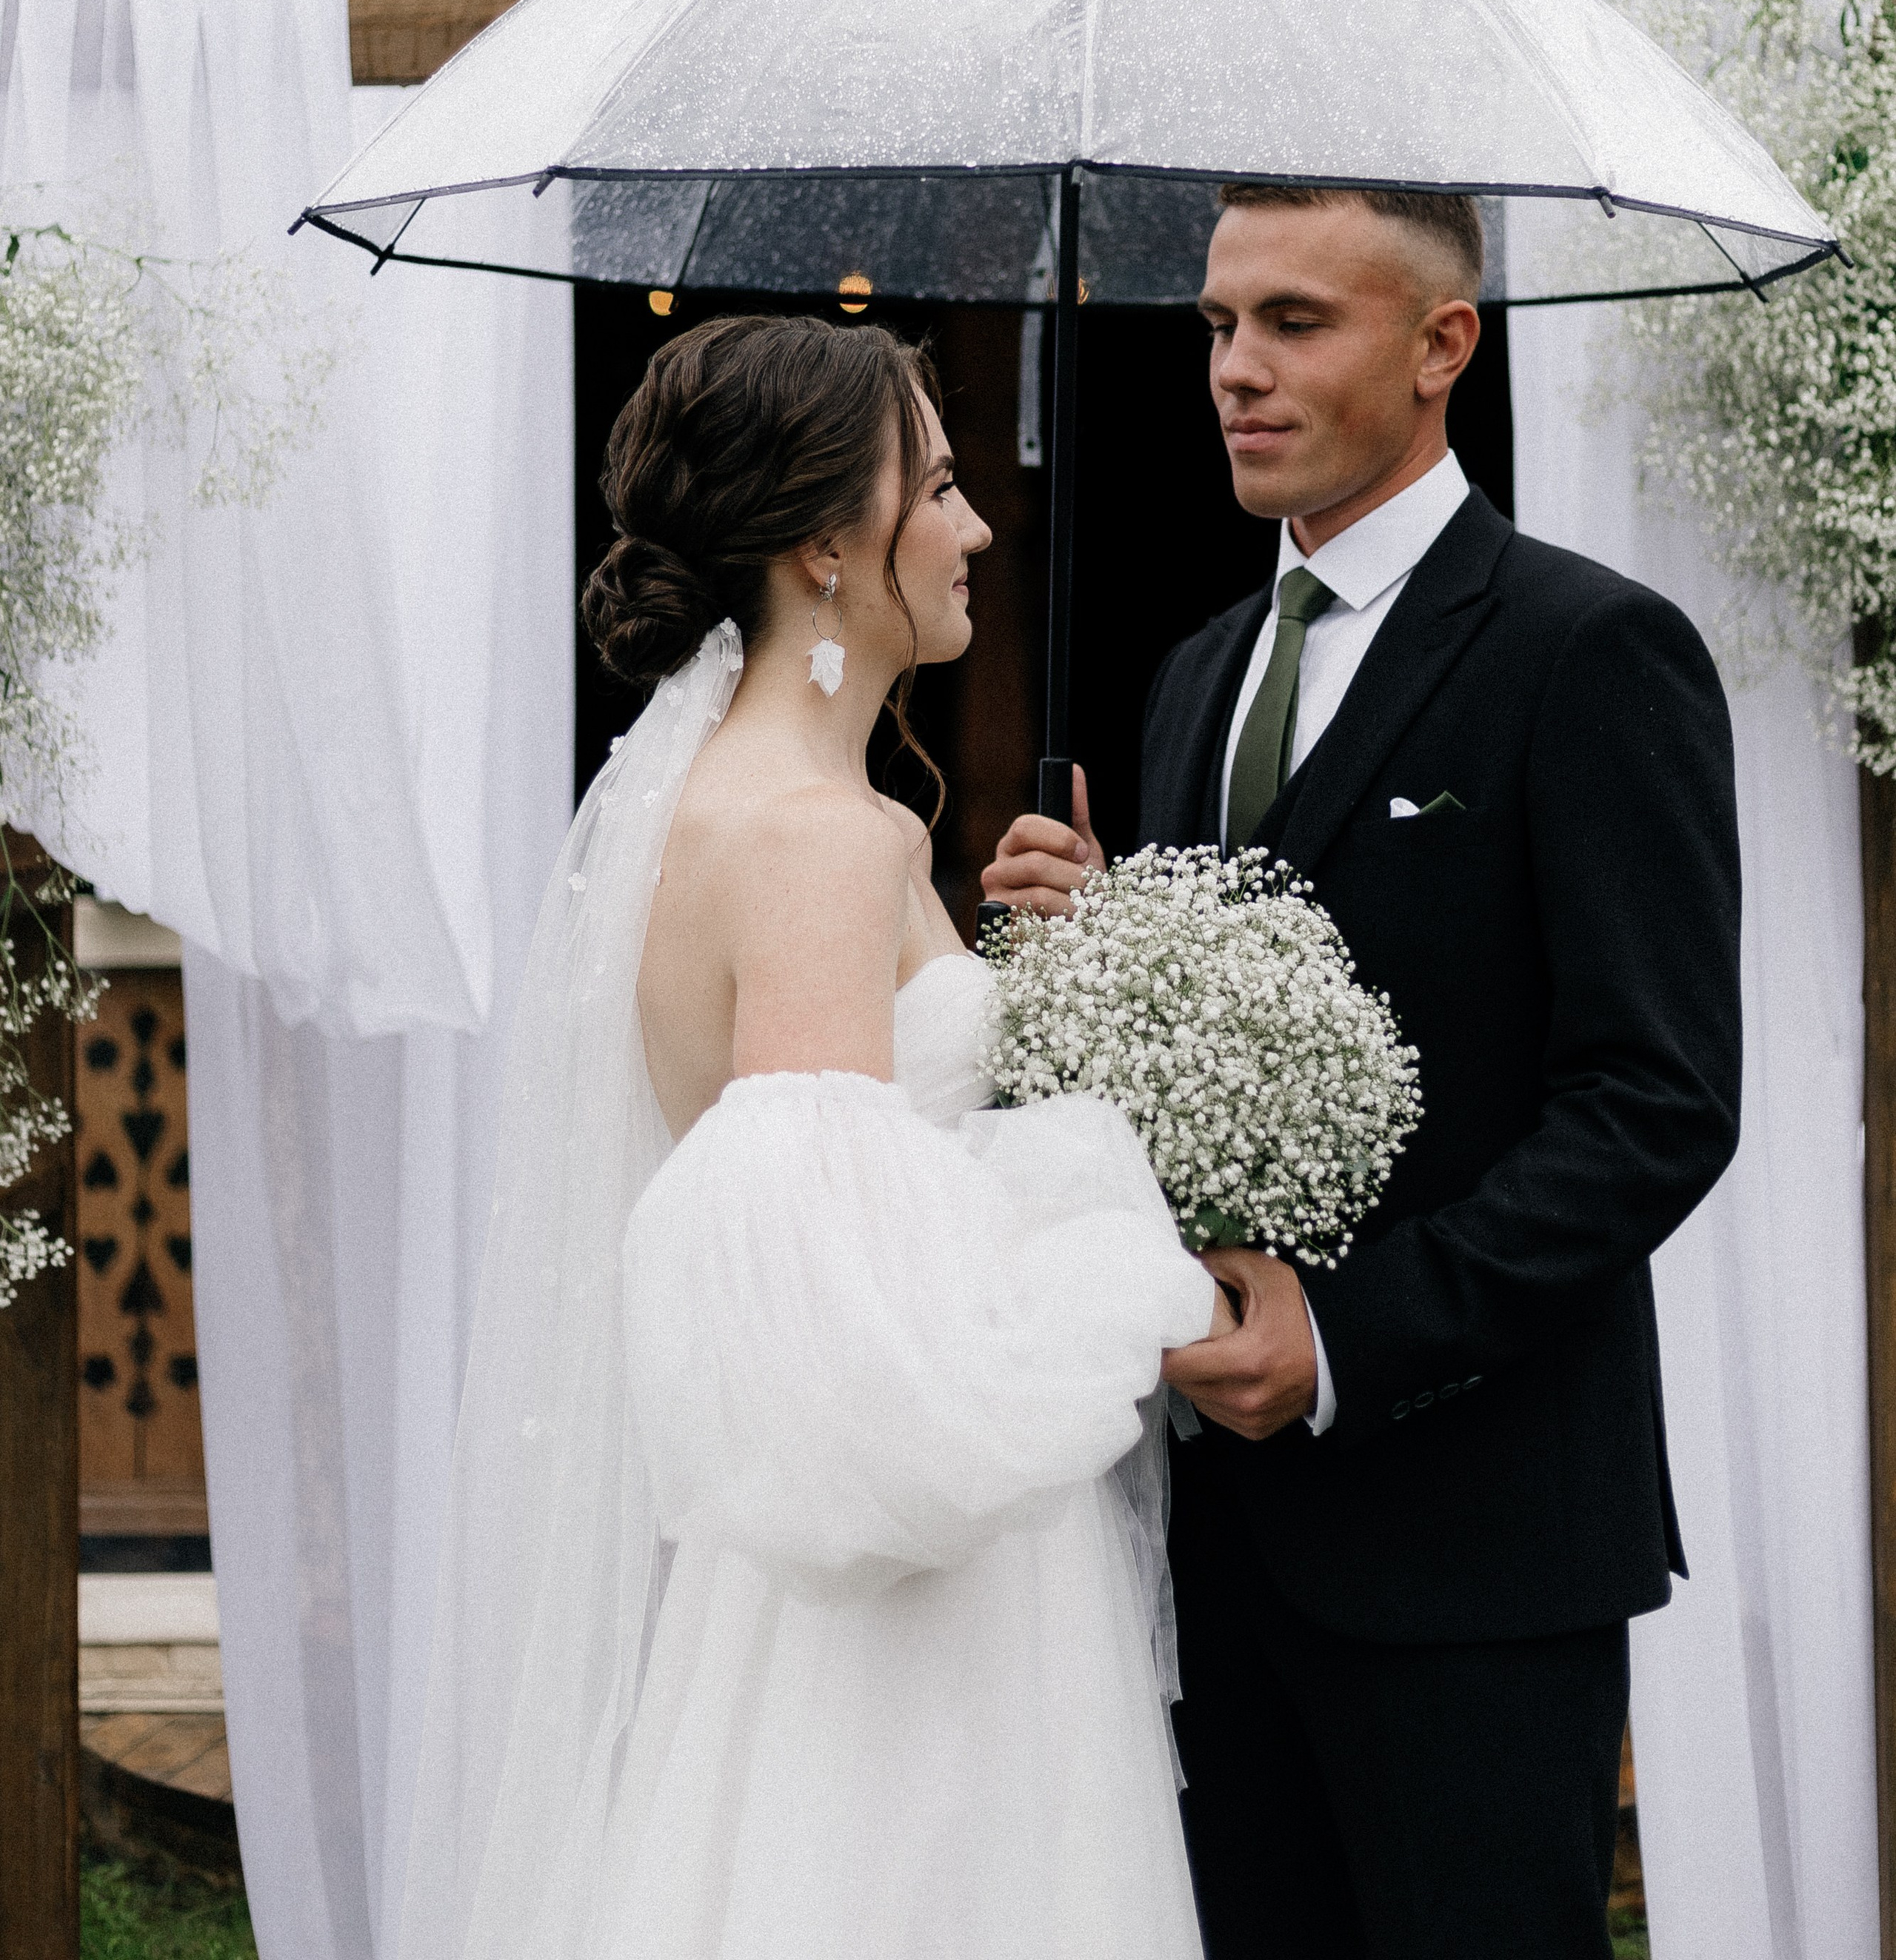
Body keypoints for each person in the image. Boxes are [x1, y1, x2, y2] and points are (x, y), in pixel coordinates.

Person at [398, 312, 1229, 1960]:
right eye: (939, 487)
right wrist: (1106, 1259)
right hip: (914, 1622)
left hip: (786, 1584)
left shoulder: (724, 808)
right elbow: (845, 1327)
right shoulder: (818, 841)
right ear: (826, 550)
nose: (975, 527)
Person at [985, 184, 1743, 1960]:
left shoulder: (1586, 648)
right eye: (1216, 326)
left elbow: (1654, 1102)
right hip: (1202, 1549)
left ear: (1439, 344)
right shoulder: (1193, 674)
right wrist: (1095, 945)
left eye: (1293, 322)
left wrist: (1345, 1339)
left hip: (1476, 1548)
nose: (1233, 371)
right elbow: (1216, 1063)